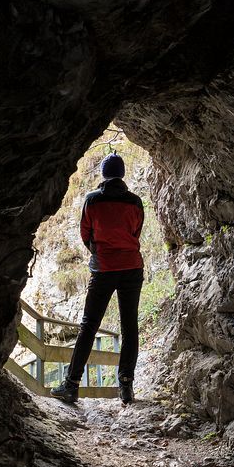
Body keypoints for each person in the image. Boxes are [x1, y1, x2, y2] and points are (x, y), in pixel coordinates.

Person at [50, 152, 144, 405]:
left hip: (103, 269)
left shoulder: (92, 201)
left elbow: (85, 233)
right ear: (122, 174)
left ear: (103, 174)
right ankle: (126, 386)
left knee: (88, 325)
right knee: (129, 326)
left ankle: (71, 384)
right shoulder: (135, 202)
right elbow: (136, 231)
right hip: (131, 268)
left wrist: (99, 251)